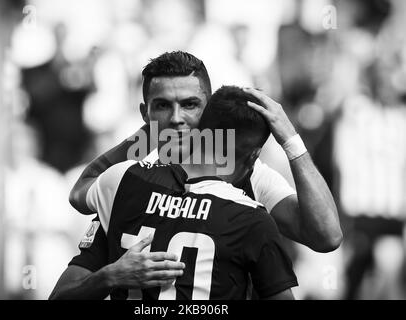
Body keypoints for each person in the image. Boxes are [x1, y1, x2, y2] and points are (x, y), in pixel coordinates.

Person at [67, 51, 342, 291]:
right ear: (144, 113)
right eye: (162, 106)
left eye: (189, 104)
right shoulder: (131, 177)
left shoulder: (247, 172)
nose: (176, 119)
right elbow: (79, 196)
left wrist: (292, 142)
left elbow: (326, 236)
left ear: (208, 108)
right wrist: (148, 133)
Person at [50, 86, 298, 300]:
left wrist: (108, 277)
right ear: (254, 155)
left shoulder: (123, 181)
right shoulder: (252, 218)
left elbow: (79, 193)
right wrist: (291, 140)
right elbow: (328, 236)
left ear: (201, 128)